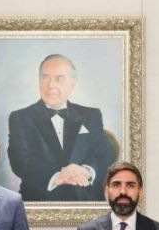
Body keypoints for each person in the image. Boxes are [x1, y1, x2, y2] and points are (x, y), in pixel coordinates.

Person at [7, 54, 116, 201]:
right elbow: (20, 161)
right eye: (45, 77)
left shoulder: (91, 115)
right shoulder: (20, 118)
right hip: (41, 201)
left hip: (86, 199)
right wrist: (59, 177)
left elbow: (104, 152)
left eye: (59, 79)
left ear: (73, 84)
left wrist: (86, 170)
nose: (51, 85)